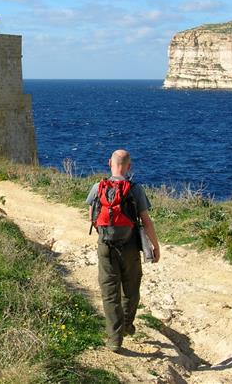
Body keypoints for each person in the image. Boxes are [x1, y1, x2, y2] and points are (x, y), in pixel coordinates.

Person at [85, 149, 160, 353]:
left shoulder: (97, 187)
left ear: (109, 162)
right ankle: (127, 325)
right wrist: (155, 246)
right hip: (129, 246)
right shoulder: (135, 189)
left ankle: (114, 339)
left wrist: (106, 232)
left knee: (110, 292)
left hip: (105, 246)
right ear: (129, 166)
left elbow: (92, 215)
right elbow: (146, 221)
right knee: (131, 288)